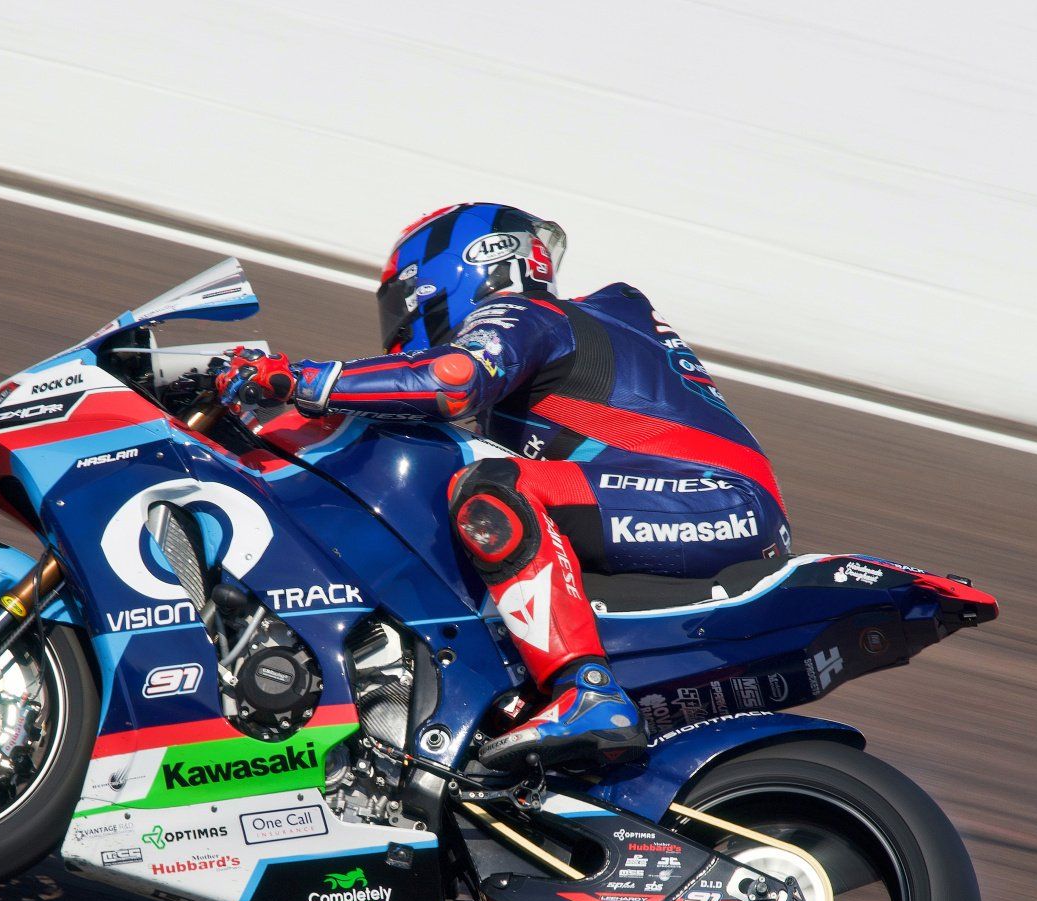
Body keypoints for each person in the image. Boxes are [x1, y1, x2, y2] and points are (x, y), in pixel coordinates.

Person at [213, 202, 791, 771]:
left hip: (710, 498)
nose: (395, 323)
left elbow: (451, 380)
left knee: (491, 489)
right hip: (695, 501)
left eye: (399, 302)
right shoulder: (575, 334)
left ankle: (586, 692)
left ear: (442, 279)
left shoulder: (525, 313)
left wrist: (298, 379)